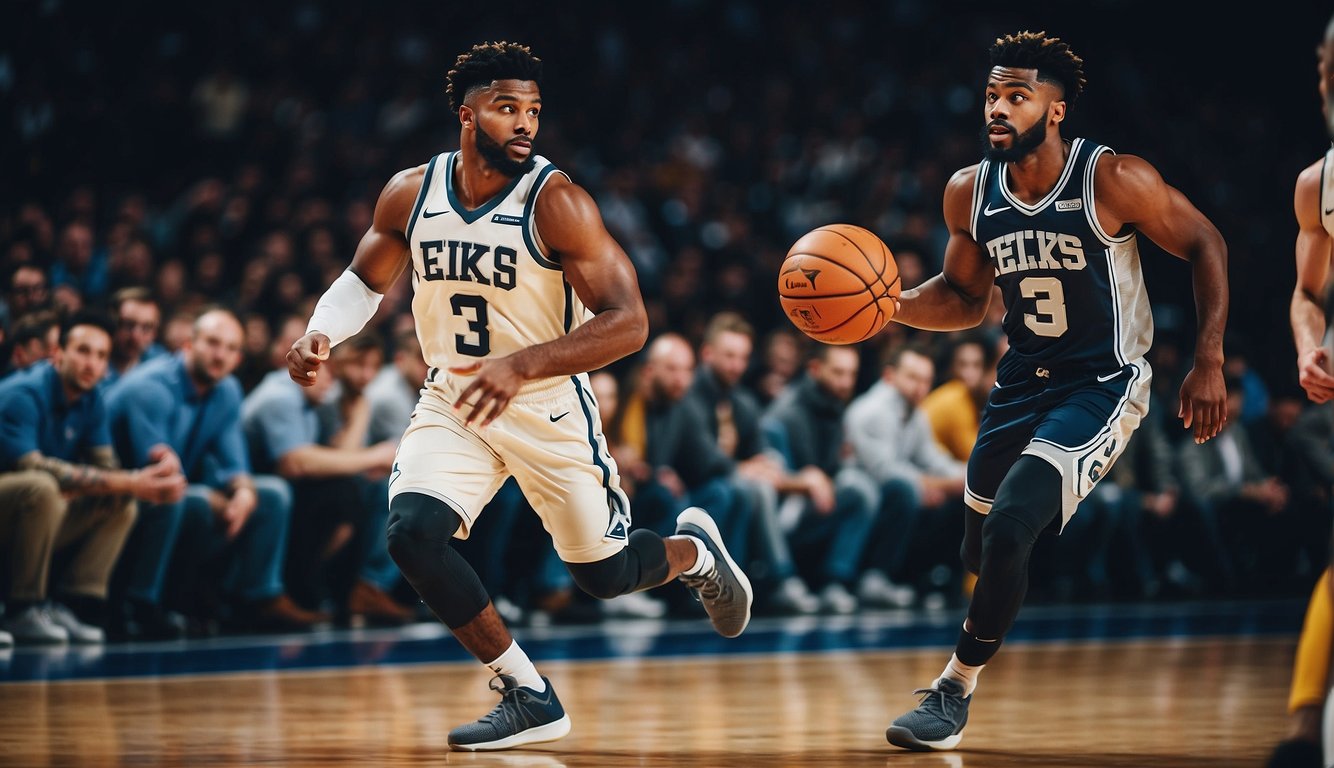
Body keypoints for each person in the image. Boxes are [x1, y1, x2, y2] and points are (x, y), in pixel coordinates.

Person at [286, 42, 751, 751]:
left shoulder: (558, 202)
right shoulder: (410, 193)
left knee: (606, 575)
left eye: (533, 110)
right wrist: (321, 332)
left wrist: (522, 365)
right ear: (468, 116)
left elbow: (629, 322)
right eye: (508, 108)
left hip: (547, 405)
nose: (526, 123)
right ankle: (526, 690)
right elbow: (363, 280)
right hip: (455, 399)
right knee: (411, 533)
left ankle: (696, 553)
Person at [883, 31, 1227, 751]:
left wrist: (1208, 358)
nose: (998, 109)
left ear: (1057, 108)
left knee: (1011, 527)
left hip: (1102, 384)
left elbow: (1205, 244)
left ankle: (954, 688)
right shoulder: (968, 191)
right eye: (991, 96)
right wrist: (889, 305)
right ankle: (1010, 583)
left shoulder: (1112, 179)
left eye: (1017, 96)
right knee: (979, 549)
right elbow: (962, 297)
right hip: (1020, 382)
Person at [109, 308, 324, 637]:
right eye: (212, 343)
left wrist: (244, 491)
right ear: (188, 344)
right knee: (185, 498)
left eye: (230, 348)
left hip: (181, 488)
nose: (219, 354)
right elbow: (156, 470)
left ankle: (255, 599)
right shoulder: (150, 387)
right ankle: (139, 604)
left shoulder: (226, 390)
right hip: (124, 492)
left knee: (271, 495)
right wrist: (214, 495)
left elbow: (233, 462)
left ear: (238, 358)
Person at [0, 312, 185, 644]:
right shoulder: (22, 393)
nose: (92, 363)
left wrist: (152, 473)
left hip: (37, 514)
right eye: (83, 351)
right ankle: (20, 609)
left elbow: (108, 469)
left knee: (118, 502)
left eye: (101, 356)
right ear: (58, 353)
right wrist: (130, 481)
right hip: (15, 502)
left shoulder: (91, 398)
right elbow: (32, 467)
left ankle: (69, 605)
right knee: (42, 488)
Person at [1272, 13, 1334, 767]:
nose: (1324, 77)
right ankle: (1301, 725)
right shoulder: (1319, 184)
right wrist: (1309, 345)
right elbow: (1306, 291)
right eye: (1322, 65)